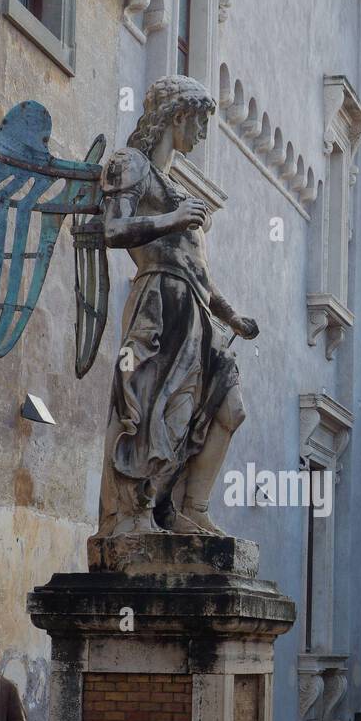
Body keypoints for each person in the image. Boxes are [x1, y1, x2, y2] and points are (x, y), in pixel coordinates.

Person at [96, 75, 261, 538]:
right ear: (178, 116)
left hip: (196, 314)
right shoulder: (131, 164)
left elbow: (197, 271)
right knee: (150, 414)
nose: (202, 134)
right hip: (157, 307)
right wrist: (172, 219)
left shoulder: (176, 189)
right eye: (200, 122)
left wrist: (231, 316)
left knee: (229, 408)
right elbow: (113, 230)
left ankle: (191, 509)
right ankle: (131, 516)